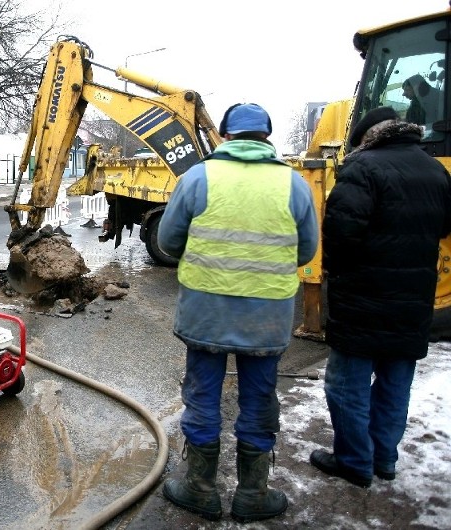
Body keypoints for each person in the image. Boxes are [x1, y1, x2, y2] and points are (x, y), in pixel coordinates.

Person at [158, 103, 319, 522]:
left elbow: (169, 241)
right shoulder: (293, 184)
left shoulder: (199, 177)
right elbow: (306, 251)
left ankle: (200, 488)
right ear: (267, 136)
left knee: (203, 395)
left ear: (225, 136)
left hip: (205, 314)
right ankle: (252, 494)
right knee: (260, 398)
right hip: (266, 319)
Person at [310, 106, 451, 488]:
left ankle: (355, 461)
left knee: (346, 384)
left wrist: (335, 277)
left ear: (368, 136)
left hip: (363, 299)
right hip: (414, 298)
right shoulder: (435, 169)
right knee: (395, 381)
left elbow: (340, 234)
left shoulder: (362, 168)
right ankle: (384, 457)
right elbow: (444, 227)